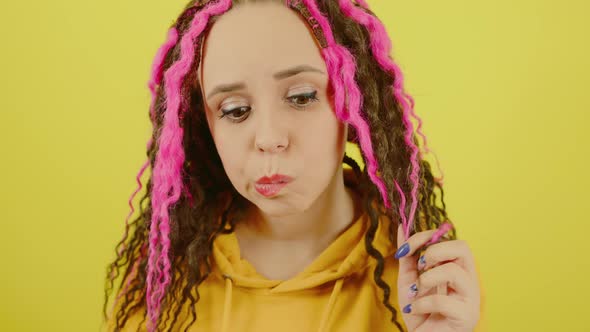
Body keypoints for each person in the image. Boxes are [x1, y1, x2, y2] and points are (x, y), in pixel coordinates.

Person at [103, 0, 482, 331]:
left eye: (301, 97)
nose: (268, 137)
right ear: (204, 128)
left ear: (355, 102)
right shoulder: (162, 283)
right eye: (235, 111)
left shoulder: (424, 284)